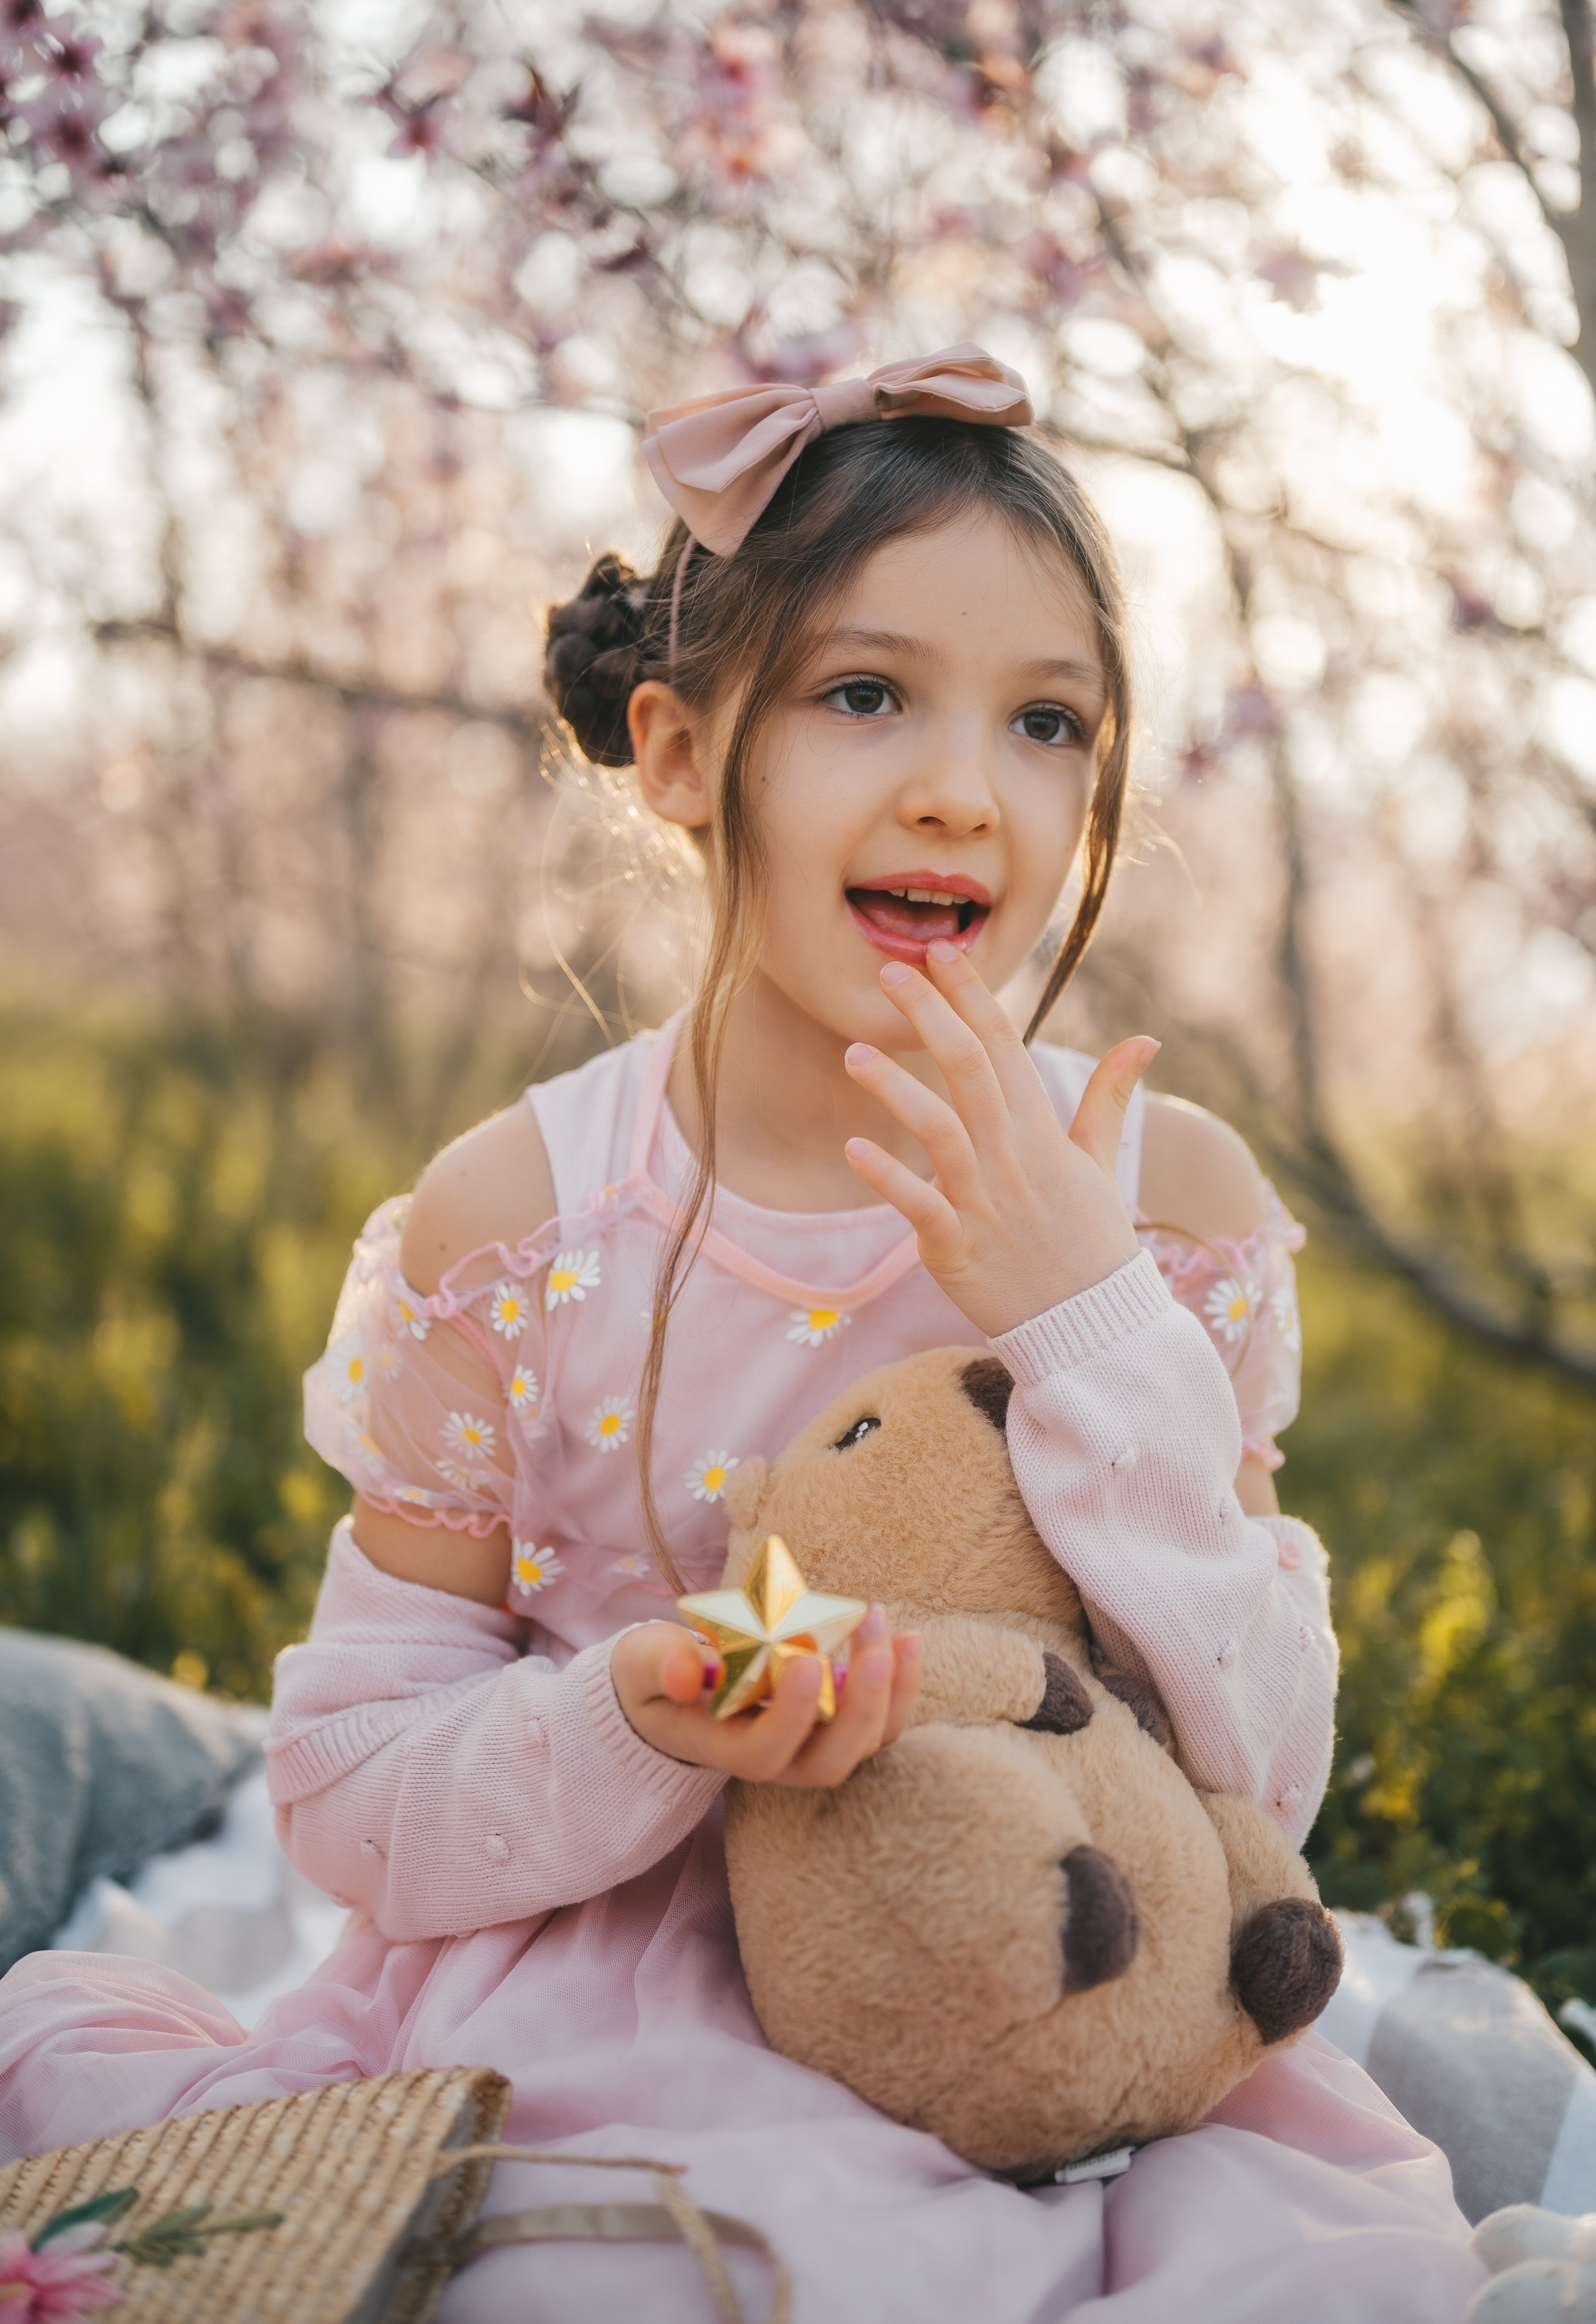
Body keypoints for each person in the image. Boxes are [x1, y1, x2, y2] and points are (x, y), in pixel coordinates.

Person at [0, 349, 1484, 2319]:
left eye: (1048, 722)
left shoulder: (1161, 1203)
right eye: (866, 694)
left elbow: (1265, 1775)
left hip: (1073, 1967)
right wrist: (639, 1710)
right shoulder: (518, 1229)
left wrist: (1089, 1318)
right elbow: (353, 1791)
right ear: (688, 757)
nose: (964, 781)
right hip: (625, 1984)